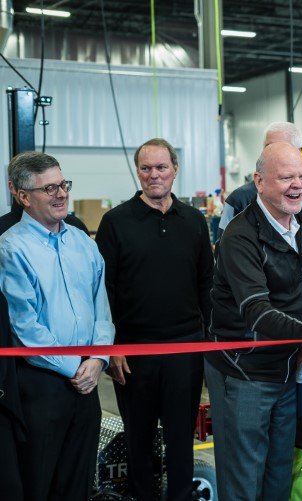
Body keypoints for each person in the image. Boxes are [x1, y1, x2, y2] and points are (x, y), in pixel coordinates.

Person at [205, 141, 302, 500]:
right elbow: (258, 311)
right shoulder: (240, 237)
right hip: (245, 373)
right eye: (286, 177)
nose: (297, 185)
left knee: (279, 475)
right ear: (259, 181)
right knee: (244, 480)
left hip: (287, 369)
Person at [95, 138, 213, 501]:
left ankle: (180, 496)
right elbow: (104, 291)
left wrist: (207, 345)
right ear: (138, 172)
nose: (154, 175)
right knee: (138, 440)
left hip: (185, 350)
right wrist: (112, 349)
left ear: (175, 170)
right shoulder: (116, 222)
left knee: (181, 440)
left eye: (161, 167)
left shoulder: (194, 221)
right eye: (146, 168)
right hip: (133, 354)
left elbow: (206, 287)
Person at [0, 151, 115, 501]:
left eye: (62, 184)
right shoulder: (10, 248)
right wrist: (74, 367)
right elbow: (24, 326)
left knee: (78, 485)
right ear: (21, 195)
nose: (61, 193)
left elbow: (102, 309)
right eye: (49, 188)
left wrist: (97, 361)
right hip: (41, 388)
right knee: (40, 483)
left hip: (88, 381)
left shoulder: (82, 242)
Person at [216, 121, 302, 241]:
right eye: (269, 147)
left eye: (283, 148)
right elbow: (222, 248)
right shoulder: (240, 199)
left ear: (299, 152)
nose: (274, 154)